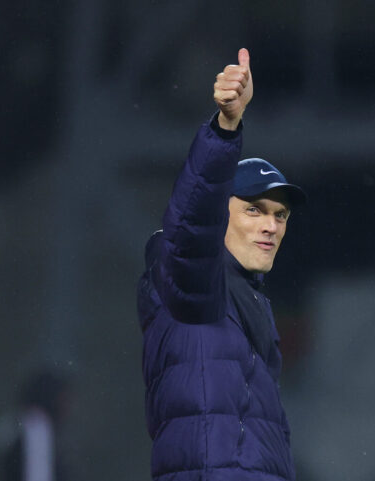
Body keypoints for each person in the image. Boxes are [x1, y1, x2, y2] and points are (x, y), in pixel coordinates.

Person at [137, 48, 305, 481]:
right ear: (218, 214)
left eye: (280, 215)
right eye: (254, 209)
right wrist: (226, 128)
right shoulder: (189, 280)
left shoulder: (249, 299)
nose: (271, 225)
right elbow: (191, 223)